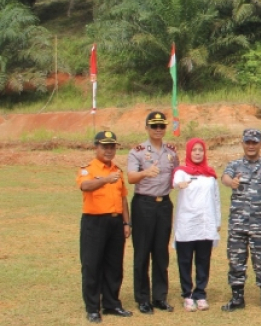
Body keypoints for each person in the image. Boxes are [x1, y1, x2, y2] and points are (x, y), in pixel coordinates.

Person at [220, 128, 261, 314]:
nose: (251, 146)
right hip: (237, 223)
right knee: (236, 260)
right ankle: (237, 298)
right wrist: (231, 183)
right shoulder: (235, 165)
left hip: (259, 223)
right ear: (243, 144)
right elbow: (224, 177)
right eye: (248, 142)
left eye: (255, 142)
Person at [127, 111, 179, 314]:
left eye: (161, 126)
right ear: (146, 128)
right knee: (142, 252)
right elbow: (131, 177)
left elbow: (176, 175)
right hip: (144, 205)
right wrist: (145, 173)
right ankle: (142, 298)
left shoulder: (172, 152)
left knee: (161, 252)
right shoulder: (138, 151)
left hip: (164, 205)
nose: (158, 130)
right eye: (154, 126)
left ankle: (159, 297)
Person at [78, 131, 133, 323]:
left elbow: (123, 198)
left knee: (114, 264)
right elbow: (85, 186)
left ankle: (112, 303)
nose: (109, 150)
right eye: (105, 147)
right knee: (92, 264)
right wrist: (104, 180)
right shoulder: (89, 169)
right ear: (96, 147)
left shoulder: (118, 170)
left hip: (115, 221)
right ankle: (93, 307)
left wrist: (126, 222)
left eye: (112, 147)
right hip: (94, 222)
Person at [171, 138, 221, 312]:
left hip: (205, 223)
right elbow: (175, 182)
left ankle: (200, 293)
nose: (198, 153)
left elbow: (216, 199)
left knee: (203, 260)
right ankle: (187, 294)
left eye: (201, 150)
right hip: (187, 223)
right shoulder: (182, 172)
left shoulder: (210, 175)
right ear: (189, 152)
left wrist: (218, 221)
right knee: (185, 260)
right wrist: (179, 184)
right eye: (194, 150)